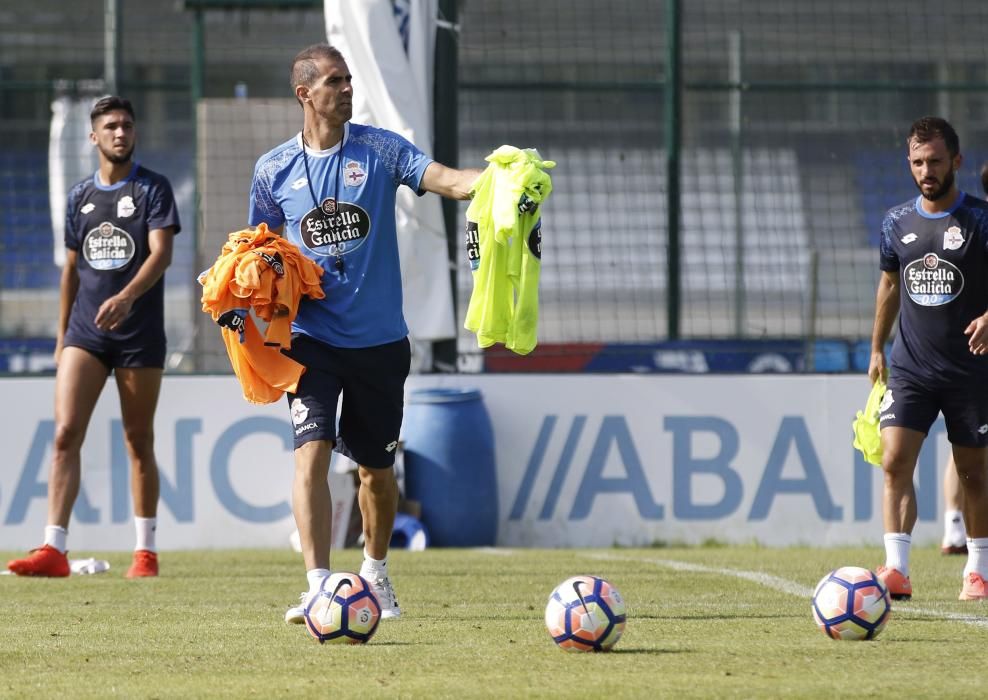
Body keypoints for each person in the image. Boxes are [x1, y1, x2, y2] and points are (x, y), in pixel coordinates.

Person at [247, 44, 482, 622]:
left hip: (379, 341)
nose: (348, 88)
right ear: (305, 93)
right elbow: (256, 249)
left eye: (350, 79)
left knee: (375, 471)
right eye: (335, 81)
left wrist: (499, 177)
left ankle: (375, 573)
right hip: (311, 339)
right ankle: (320, 584)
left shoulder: (380, 149)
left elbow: (449, 181)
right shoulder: (272, 169)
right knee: (311, 457)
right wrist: (249, 297)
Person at [6, 96, 180, 578]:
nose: (120, 133)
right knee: (64, 435)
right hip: (86, 333)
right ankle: (53, 549)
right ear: (93, 137)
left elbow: (161, 254)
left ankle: (145, 552)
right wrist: (63, 336)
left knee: (137, 439)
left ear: (135, 133)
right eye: (110, 126)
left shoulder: (153, 190)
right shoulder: (78, 196)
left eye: (126, 125)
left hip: (139, 335)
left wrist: (126, 298)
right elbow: (70, 273)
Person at [869, 116, 988, 601]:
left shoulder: (981, 220)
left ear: (956, 161)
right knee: (895, 461)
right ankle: (896, 569)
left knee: (973, 473)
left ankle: (977, 571)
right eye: (917, 162)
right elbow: (890, 285)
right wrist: (876, 346)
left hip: (970, 371)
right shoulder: (896, 222)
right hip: (912, 367)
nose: (926, 170)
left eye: (935, 161)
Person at [939, 161, 988, 556]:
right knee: (971, 444)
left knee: (969, 445)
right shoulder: (977, 229)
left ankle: (955, 525)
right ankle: (956, 525)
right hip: (976, 350)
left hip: (968, 349)